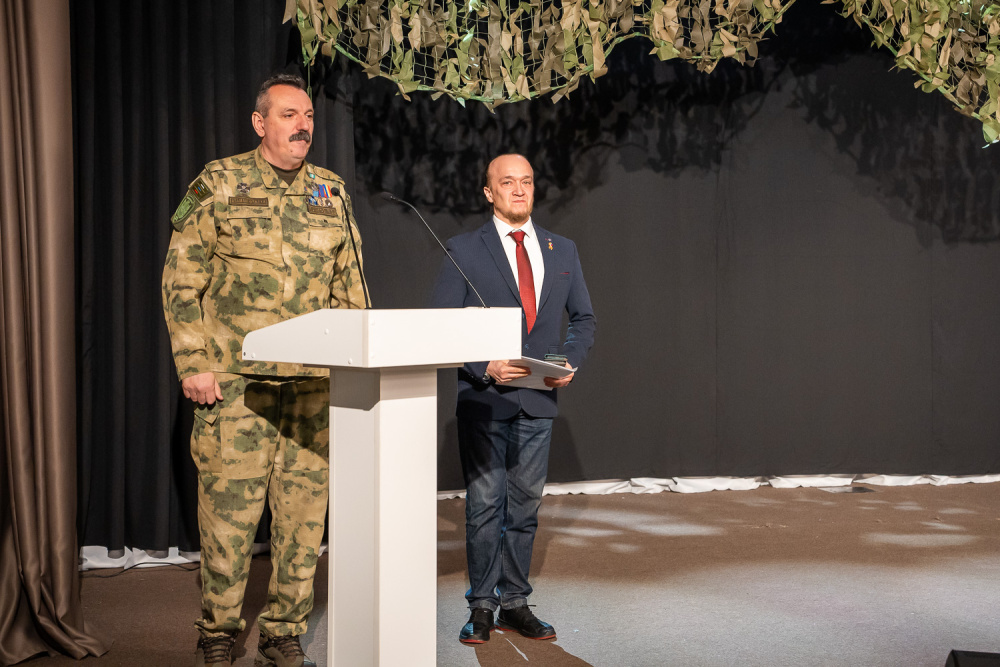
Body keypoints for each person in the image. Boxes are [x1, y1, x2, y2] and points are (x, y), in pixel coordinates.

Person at [161, 73, 367, 667]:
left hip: (312, 387)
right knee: (228, 520)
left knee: (302, 524)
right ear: (260, 122)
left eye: (308, 116)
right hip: (235, 387)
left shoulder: (331, 192)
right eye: (288, 115)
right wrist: (194, 364)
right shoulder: (217, 183)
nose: (303, 126)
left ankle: (282, 632)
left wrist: (357, 362)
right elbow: (181, 281)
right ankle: (218, 632)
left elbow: (352, 289)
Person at [430, 154, 596, 645]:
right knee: (484, 505)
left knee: (524, 507)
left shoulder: (562, 249)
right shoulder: (463, 249)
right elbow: (440, 325)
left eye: (526, 181)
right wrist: (484, 365)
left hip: (539, 401)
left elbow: (584, 319)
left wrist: (567, 361)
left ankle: (515, 602)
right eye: (508, 182)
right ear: (489, 193)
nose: (519, 190)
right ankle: (481, 606)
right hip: (484, 400)